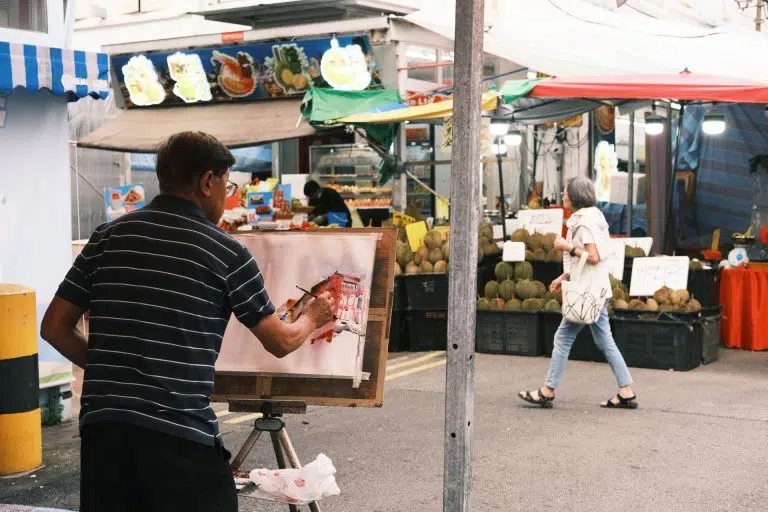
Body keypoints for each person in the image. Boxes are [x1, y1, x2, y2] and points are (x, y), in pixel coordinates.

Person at [41, 131, 335, 512]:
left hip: (104, 431)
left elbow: (54, 327)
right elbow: (280, 341)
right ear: (207, 181)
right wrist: (313, 317)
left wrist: (112, 368)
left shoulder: (106, 237)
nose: (226, 197)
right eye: (226, 185)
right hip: (177, 433)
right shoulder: (225, 251)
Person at [518, 177, 638, 410]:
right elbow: (591, 259)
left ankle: (547, 391)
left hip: (586, 293)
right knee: (605, 340)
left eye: (565, 192)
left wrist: (566, 247)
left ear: (575, 197)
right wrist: (564, 277)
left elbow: (592, 256)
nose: (562, 196)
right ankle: (626, 390)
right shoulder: (595, 215)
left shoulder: (582, 223)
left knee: (563, 337)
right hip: (597, 289)